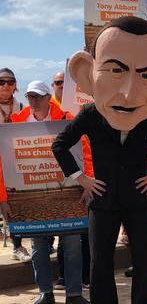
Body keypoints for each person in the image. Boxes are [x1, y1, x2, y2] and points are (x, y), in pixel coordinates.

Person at [52, 16, 147, 304]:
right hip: (102, 199)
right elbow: (60, 145)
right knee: (100, 262)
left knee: (144, 261)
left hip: (138, 198)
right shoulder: (90, 113)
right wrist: (81, 178)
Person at [10, 81, 89, 304]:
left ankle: (74, 294)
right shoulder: (16, 122)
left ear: (48, 98)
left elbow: (85, 152)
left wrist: (86, 184)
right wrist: (4, 198)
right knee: (38, 246)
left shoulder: (66, 119)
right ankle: (46, 292)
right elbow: (5, 163)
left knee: (73, 243)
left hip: (69, 193)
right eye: (30, 97)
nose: (33, 101)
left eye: (38, 97)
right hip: (33, 195)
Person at [0, 68, 32, 264]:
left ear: (15, 85)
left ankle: (17, 245)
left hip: (13, 161)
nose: (5, 85)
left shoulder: (22, 106)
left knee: (14, 203)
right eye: (1, 81)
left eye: (10, 82)